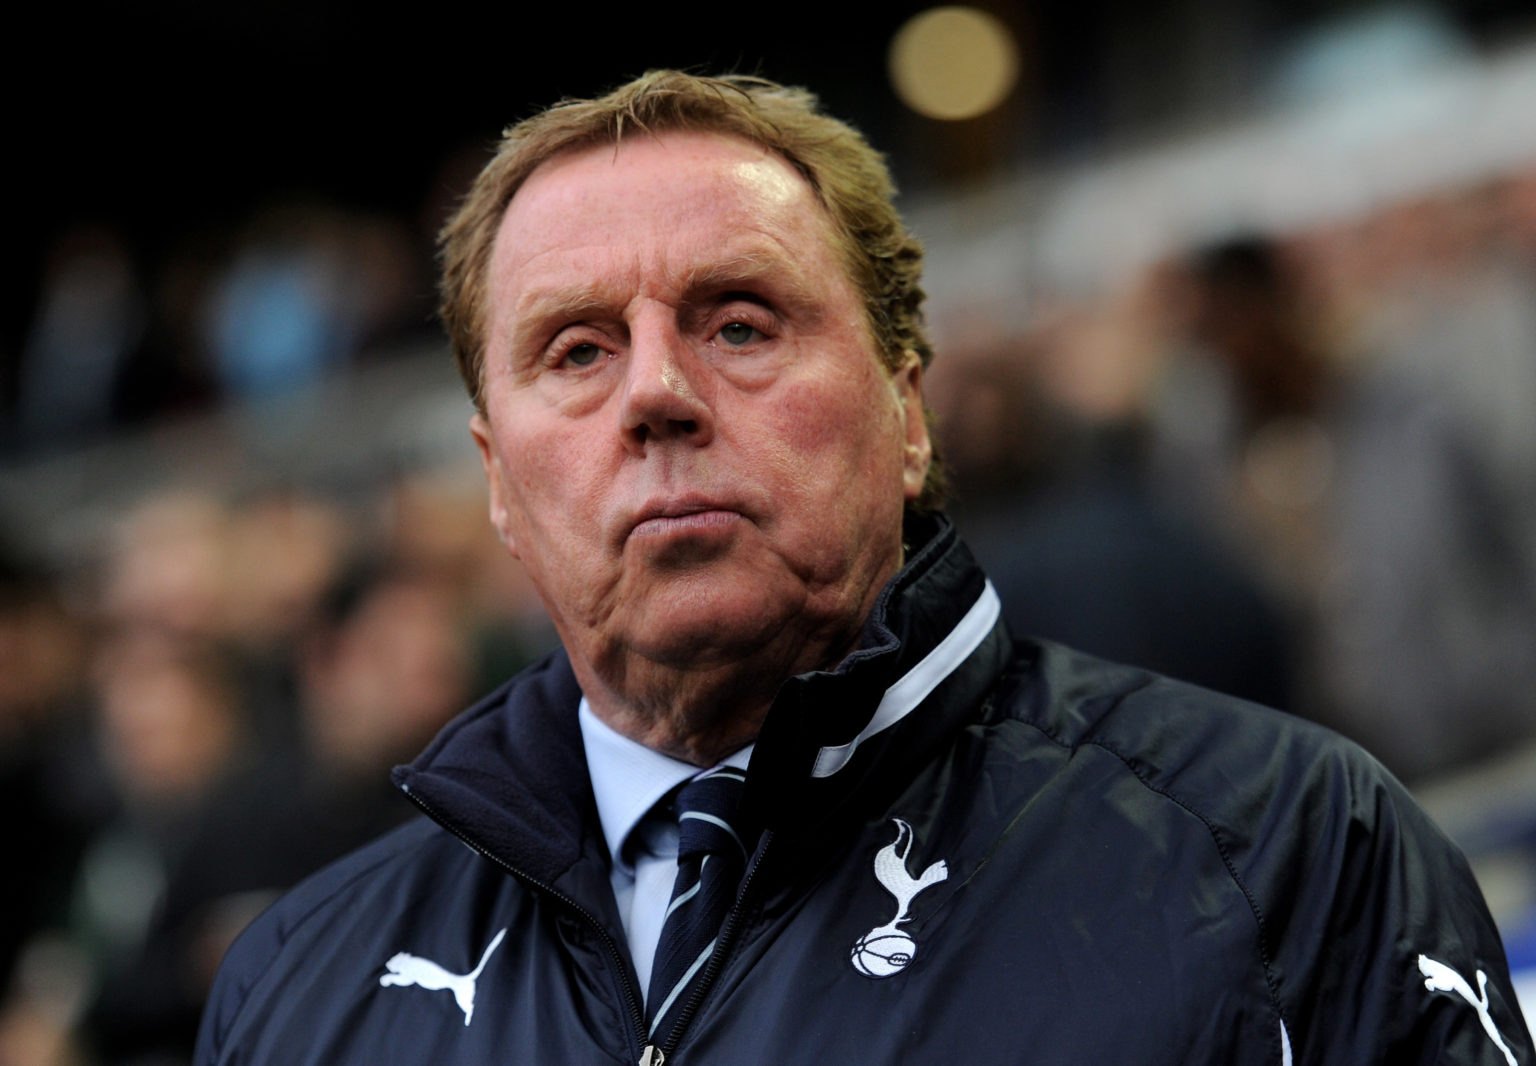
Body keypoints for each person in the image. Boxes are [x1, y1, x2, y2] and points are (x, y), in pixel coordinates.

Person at [195, 72, 1532, 1065]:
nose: (655, 391)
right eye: (578, 351)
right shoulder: (303, 992)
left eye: (739, 320)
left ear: (907, 410)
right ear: (496, 477)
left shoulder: (1288, 855)